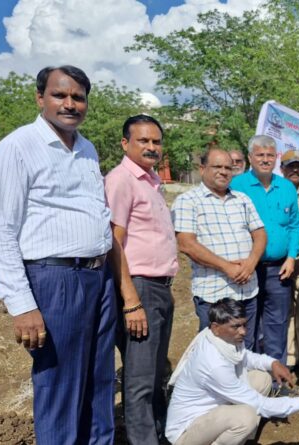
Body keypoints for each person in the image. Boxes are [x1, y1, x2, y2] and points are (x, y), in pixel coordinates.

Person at [0, 65, 117, 444]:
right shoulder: (17, 148)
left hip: (98, 276)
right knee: (59, 383)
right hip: (55, 279)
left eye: (78, 97)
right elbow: (1, 234)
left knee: (99, 378)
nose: (70, 104)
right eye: (60, 95)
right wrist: (22, 305)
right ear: (40, 98)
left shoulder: (87, 148)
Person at [165, 298, 299, 445]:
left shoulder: (218, 337)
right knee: (245, 416)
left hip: (210, 412)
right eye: (236, 327)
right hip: (187, 432)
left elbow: (244, 356)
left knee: (262, 378)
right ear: (216, 327)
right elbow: (259, 404)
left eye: (244, 325)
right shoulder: (213, 365)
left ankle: (241, 440)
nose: (243, 331)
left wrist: (272, 363)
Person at [105, 114, 180, 444]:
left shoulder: (150, 181)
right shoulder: (121, 180)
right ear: (125, 144)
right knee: (139, 380)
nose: (152, 147)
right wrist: (131, 300)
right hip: (140, 289)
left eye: (156, 141)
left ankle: (160, 435)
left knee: (154, 374)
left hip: (160, 288)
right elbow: (113, 241)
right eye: (143, 141)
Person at [172, 148, 267, 341]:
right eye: (217, 166)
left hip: (248, 291)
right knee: (214, 355)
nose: (223, 172)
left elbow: (260, 234)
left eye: (228, 167)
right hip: (214, 296)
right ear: (202, 169)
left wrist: (251, 263)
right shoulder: (187, 201)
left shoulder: (242, 199)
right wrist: (227, 268)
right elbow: (187, 244)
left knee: (244, 351)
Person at [230, 136, 299, 366]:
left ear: (276, 158)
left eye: (270, 155)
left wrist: (291, 257)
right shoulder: (237, 186)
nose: (265, 159)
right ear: (250, 157)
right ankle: (248, 378)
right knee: (246, 325)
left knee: (277, 324)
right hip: (247, 269)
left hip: (279, 269)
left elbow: (294, 225)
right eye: (260, 155)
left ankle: (276, 379)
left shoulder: (286, 187)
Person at [280, 149, 299, 370]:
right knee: (285, 309)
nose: (295, 170)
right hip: (281, 260)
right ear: (282, 169)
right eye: (290, 166)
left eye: (298, 166)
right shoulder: (277, 190)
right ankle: (290, 356)